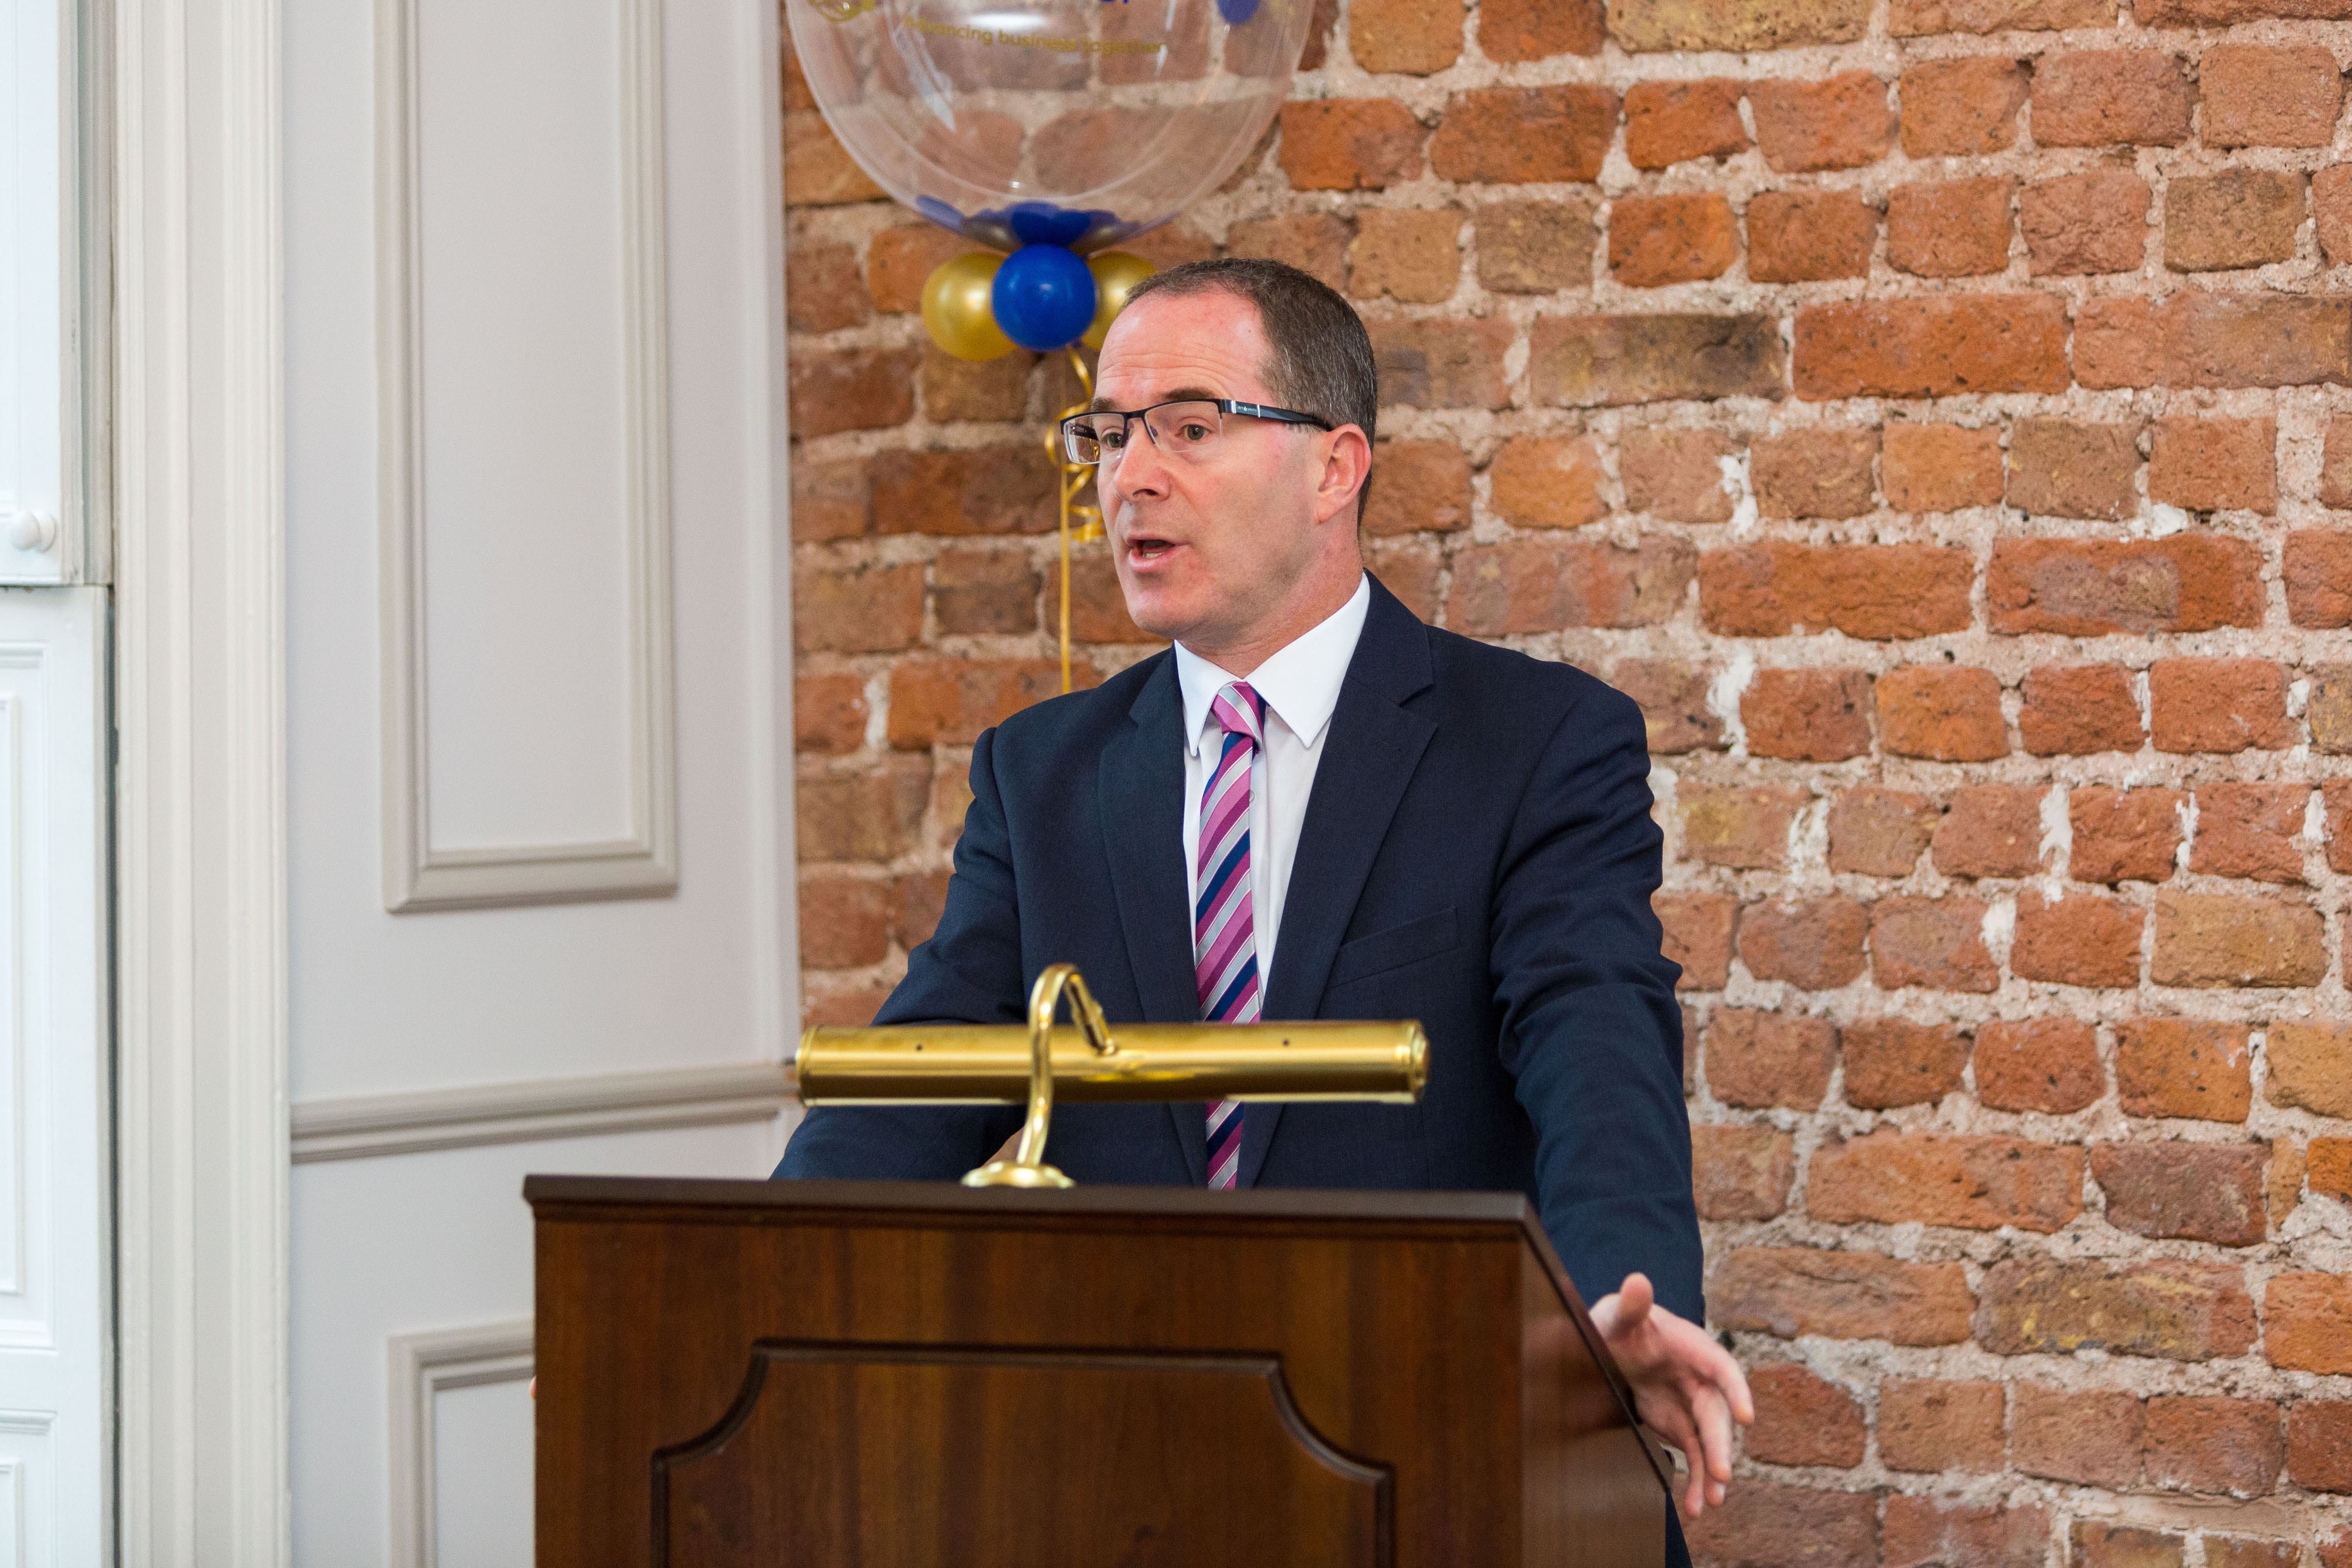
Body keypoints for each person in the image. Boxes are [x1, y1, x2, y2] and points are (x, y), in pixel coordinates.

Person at [778, 257, 1752, 1548]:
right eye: (1108, 434)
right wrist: (753, 1287)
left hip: (1433, 1447)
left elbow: (1597, 1048)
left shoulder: (1534, 742)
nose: (1128, 475)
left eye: (1187, 426)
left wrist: (1618, 1305)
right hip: (1127, 1473)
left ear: (1333, 467)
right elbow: (927, 1068)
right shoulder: (1042, 769)